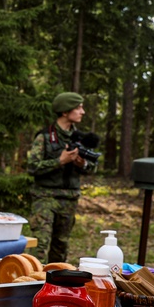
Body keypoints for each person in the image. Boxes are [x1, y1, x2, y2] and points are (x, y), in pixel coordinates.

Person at [26, 92, 96, 264]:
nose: (83, 112)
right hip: (45, 197)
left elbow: (92, 168)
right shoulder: (44, 137)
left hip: (69, 199)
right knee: (40, 246)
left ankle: (55, 285)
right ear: (65, 111)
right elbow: (32, 167)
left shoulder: (80, 138)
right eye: (78, 107)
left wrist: (82, 164)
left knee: (61, 247)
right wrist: (60, 161)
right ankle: (32, 284)